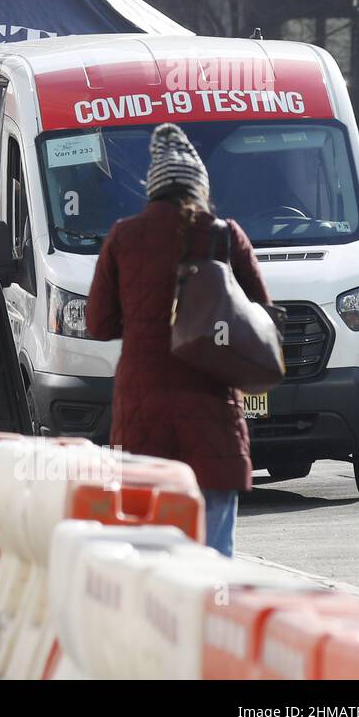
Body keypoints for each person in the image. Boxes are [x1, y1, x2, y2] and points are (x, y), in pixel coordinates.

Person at [86, 123, 269, 559]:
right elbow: (262, 317)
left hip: (142, 413)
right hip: (212, 412)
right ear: (199, 186)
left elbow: (99, 324)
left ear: (154, 189)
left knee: (151, 554)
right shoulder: (224, 235)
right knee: (215, 554)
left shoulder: (123, 238)